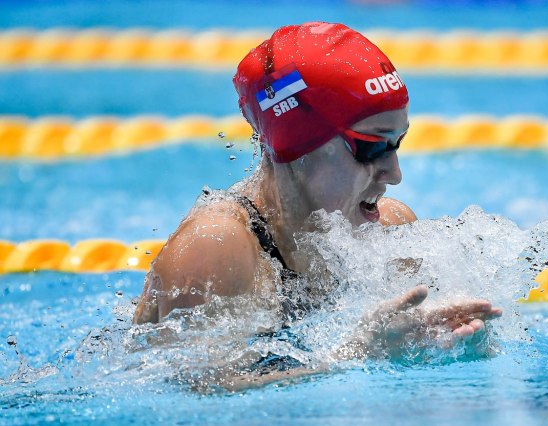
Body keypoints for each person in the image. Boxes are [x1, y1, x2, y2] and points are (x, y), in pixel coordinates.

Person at [133, 22, 501, 387]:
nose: (394, 173)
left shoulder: (390, 228)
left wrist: (461, 346)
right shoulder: (217, 248)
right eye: (372, 147)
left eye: (397, 143)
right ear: (298, 145)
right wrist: (354, 356)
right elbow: (193, 395)